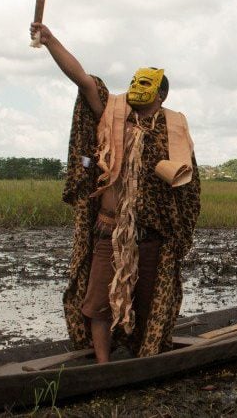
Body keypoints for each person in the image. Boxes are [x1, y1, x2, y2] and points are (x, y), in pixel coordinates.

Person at [31, 22, 202, 362]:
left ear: (161, 95)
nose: (136, 88)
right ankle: (103, 365)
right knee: (99, 302)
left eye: (145, 84)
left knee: (148, 304)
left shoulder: (172, 131)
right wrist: (50, 41)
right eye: (133, 81)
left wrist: (177, 232)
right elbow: (83, 80)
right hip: (109, 231)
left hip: (149, 235)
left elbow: (188, 188)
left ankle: (141, 360)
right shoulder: (113, 118)